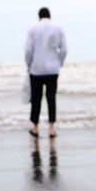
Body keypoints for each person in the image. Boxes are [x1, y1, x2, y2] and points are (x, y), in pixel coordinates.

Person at [24, 7, 67, 138]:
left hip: (36, 68)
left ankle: (35, 128)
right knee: (51, 98)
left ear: (39, 17)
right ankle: (51, 129)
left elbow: (28, 50)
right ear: (50, 16)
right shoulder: (58, 28)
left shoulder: (33, 28)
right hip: (52, 68)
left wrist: (29, 64)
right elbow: (64, 49)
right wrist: (59, 62)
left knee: (36, 98)